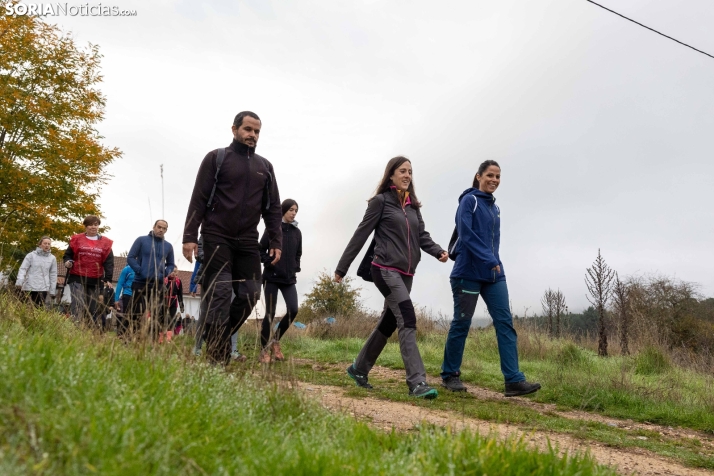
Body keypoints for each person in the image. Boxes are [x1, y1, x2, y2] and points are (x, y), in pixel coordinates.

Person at [334, 156, 448, 399]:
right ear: (391, 176)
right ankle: (417, 382)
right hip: (384, 269)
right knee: (407, 317)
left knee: (389, 322)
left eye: (410, 171)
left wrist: (438, 251)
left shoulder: (412, 205)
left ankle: (358, 369)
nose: (407, 175)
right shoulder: (380, 202)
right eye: (402, 171)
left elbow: (422, 236)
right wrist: (342, 268)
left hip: (406, 272)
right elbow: (360, 235)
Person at [182, 111, 282, 365]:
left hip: (248, 240)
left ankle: (218, 338)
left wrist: (276, 240)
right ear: (234, 129)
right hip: (216, 236)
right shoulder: (217, 158)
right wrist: (189, 236)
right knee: (221, 294)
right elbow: (199, 198)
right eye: (248, 129)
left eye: (257, 131)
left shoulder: (265, 167)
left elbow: (272, 208)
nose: (252, 135)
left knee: (250, 294)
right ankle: (217, 359)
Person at [440, 160, 541, 397]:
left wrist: (494, 262)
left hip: (494, 273)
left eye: (498, 176)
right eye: (490, 175)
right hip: (468, 272)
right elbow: (466, 234)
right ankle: (449, 375)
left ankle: (513, 380)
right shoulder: (469, 201)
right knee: (462, 323)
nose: (494, 180)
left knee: (505, 323)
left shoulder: (495, 207)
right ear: (478, 176)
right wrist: (489, 258)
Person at [258, 198, 302, 363]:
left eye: (296, 211)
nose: (294, 213)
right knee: (270, 313)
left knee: (293, 309)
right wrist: (269, 262)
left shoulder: (297, 232)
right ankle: (263, 351)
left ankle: (275, 340)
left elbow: (298, 253)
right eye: (291, 210)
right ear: (284, 210)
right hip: (271, 277)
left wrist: (295, 267)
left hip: (289, 278)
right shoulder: (273, 229)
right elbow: (260, 249)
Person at [126, 220, 175, 342]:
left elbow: (170, 264)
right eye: (159, 227)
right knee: (135, 313)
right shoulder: (141, 240)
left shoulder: (168, 246)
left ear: (166, 230)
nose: (161, 230)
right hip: (140, 282)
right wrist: (139, 270)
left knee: (157, 315)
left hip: (158, 285)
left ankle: (152, 342)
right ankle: (131, 339)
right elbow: (130, 257)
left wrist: (165, 272)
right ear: (154, 226)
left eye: (164, 228)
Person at [63, 216, 114, 327]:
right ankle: (75, 329)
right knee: (78, 304)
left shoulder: (106, 243)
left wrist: (108, 278)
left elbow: (109, 262)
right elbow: (68, 255)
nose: (93, 227)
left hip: (95, 279)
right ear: (86, 226)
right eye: (90, 224)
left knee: (92, 307)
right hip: (77, 276)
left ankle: (87, 330)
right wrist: (68, 261)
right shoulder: (77, 239)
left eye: (96, 224)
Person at [16, 236, 57, 308]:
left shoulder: (52, 258)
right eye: (45, 243)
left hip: (43, 288)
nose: (47, 245)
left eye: (48, 244)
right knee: (23, 308)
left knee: (38, 309)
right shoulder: (31, 255)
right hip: (28, 286)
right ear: (40, 244)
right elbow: (23, 269)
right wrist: (20, 281)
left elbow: (53, 274)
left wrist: (52, 290)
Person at [114, 264, 135, 337]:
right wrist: (116, 299)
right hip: (127, 295)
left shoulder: (144, 269)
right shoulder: (127, 269)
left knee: (136, 317)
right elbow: (119, 283)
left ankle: (134, 337)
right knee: (126, 317)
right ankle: (123, 337)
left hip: (139, 295)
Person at [165, 268, 185, 335]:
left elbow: (180, 294)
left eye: (175, 271)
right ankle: (160, 337)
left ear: (177, 273)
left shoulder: (178, 281)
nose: (173, 273)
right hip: (164, 301)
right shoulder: (165, 280)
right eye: (172, 271)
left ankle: (168, 337)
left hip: (173, 302)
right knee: (162, 319)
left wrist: (181, 306)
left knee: (171, 320)